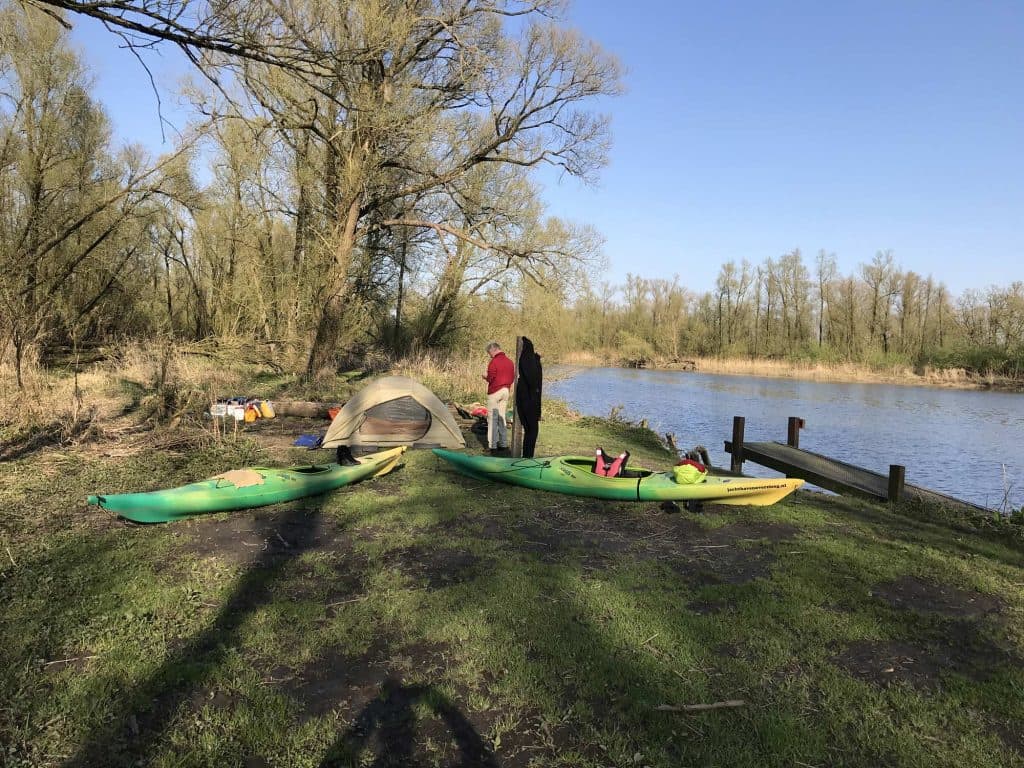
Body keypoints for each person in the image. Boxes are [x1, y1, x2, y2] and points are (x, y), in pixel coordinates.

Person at [482, 341, 514, 454]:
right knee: (502, 417)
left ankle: (492, 445)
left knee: (492, 419)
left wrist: (485, 377)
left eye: (489, 352)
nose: (489, 355)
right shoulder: (510, 362)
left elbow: (491, 377)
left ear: (493, 349)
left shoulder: (494, 362)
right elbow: (512, 377)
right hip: (506, 390)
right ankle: (504, 444)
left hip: (495, 391)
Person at [515, 336, 543, 458]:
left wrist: (536, 358)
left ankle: (526, 456)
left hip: (524, 401)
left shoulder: (524, 363)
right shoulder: (528, 364)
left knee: (529, 431)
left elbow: (530, 371)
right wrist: (537, 360)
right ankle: (527, 457)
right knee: (532, 431)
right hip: (529, 402)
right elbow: (533, 378)